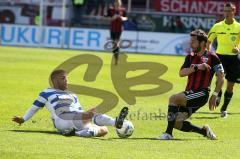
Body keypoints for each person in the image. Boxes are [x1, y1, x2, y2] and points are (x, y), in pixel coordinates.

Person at [12, 69, 129, 137]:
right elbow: (34, 108)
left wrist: (87, 116)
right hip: (62, 119)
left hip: (75, 119)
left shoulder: (72, 94)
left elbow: (80, 111)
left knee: (104, 130)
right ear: (55, 80)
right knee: (91, 114)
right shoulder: (46, 92)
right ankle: (115, 122)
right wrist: (23, 119)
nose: (67, 80)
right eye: (63, 78)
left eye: (67, 78)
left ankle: (77, 133)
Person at [158, 29, 224, 140]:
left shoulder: (213, 57)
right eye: (190, 41)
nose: (190, 43)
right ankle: (204, 131)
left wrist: (215, 95)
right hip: (190, 93)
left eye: (193, 41)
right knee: (176, 122)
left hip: (201, 93)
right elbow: (181, 73)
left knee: (173, 98)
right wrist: (197, 67)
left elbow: (221, 78)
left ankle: (168, 134)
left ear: (202, 43)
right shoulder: (190, 57)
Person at [207, 2, 240, 118]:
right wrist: (210, 53)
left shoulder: (239, 27)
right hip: (219, 57)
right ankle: (218, 94)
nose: (226, 13)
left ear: (234, 11)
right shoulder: (217, 26)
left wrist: (238, 48)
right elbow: (208, 41)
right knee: (219, 81)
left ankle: (224, 109)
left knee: (230, 86)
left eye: (229, 11)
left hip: (234, 59)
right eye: (225, 11)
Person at [106, 0, 127, 65]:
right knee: (113, 45)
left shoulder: (123, 10)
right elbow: (106, 18)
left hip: (119, 29)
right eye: (116, 2)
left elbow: (126, 18)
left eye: (118, 2)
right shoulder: (110, 10)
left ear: (120, 3)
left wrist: (121, 18)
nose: (117, 4)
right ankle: (116, 59)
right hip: (112, 29)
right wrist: (113, 18)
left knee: (116, 43)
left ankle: (117, 60)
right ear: (114, 3)